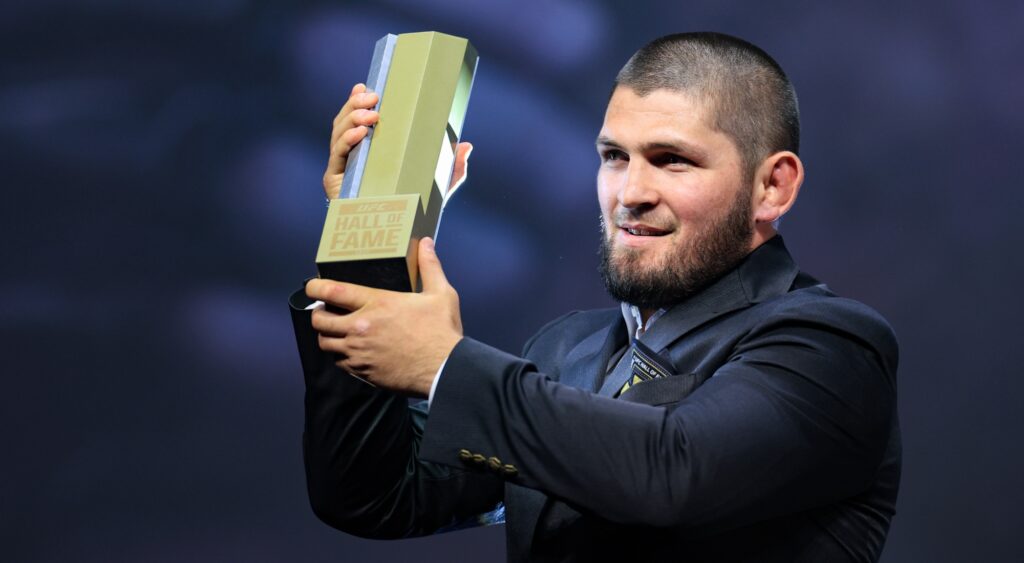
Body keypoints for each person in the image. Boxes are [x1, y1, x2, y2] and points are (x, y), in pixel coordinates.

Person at [289, 32, 900, 562]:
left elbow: (673, 473)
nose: (629, 192)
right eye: (614, 157)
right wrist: (369, 239)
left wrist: (445, 367)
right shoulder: (565, 350)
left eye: (672, 161)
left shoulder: (832, 347)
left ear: (773, 186)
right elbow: (376, 499)